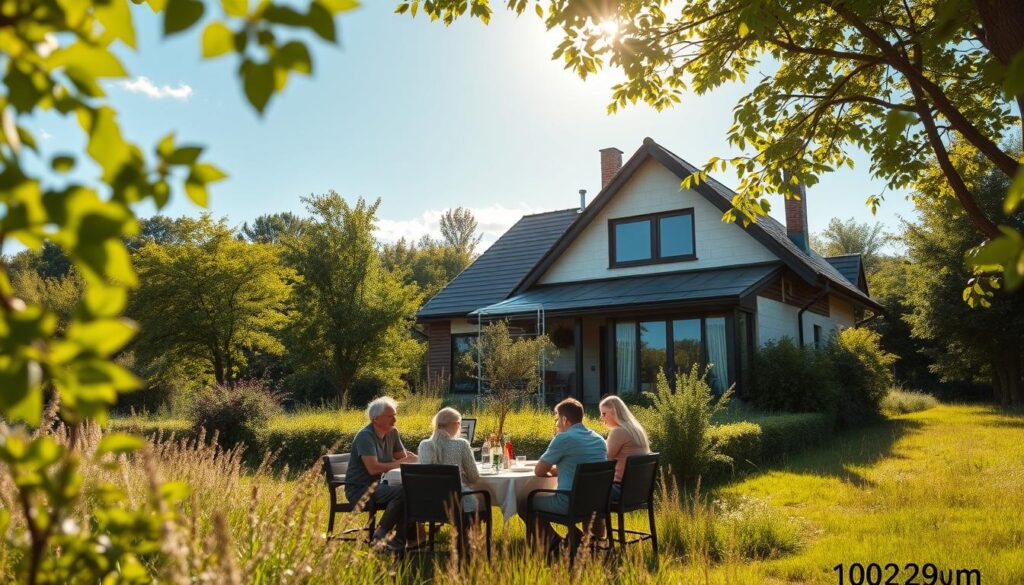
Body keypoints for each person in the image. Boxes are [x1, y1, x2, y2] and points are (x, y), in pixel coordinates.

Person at [528, 397, 607, 552]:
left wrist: (550, 466)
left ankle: (554, 541)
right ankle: (579, 538)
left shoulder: (563, 438)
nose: (557, 423)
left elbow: (539, 471)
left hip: (570, 502)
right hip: (597, 502)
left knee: (525, 501)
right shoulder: (599, 439)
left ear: (564, 419)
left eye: (557, 419)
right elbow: (581, 468)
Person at [344, 396, 418, 550]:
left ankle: (400, 541)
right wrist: (401, 462)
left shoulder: (392, 433)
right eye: (390, 416)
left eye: (395, 415)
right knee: (403, 492)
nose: (395, 419)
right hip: (360, 489)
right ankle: (381, 535)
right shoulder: (365, 436)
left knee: (411, 491)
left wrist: (423, 457)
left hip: (383, 484)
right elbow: (374, 468)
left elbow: (404, 457)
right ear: (376, 419)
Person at [417, 407, 481, 512]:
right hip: (456, 502)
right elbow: (473, 477)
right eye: (460, 423)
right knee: (480, 498)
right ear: (455, 424)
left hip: (427, 502)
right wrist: (461, 474)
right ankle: (472, 528)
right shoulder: (461, 444)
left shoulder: (424, 445)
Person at [598, 395, 651, 502]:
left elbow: (605, 459)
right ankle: (598, 518)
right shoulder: (637, 429)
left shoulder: (618, 431)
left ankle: (593, 519)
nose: (601, 417)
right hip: (639, 489)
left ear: (615, 412)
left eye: (604, 414)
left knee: (584, 490)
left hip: (620, 489)